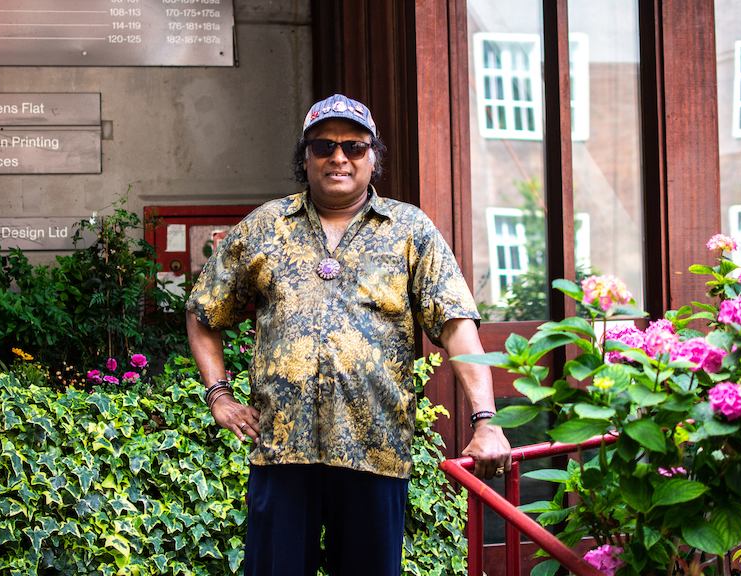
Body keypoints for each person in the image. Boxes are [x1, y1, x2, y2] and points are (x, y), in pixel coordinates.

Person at [186, 93, 511, 576]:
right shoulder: (265, 227)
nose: (339, 157)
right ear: (306, 157)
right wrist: (219, 395)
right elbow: (202, 312)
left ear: (373, 157)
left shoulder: (409, 230)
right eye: (323, 146)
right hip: (282, 453)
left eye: (355, 147)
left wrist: (486, 420)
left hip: (374, 451)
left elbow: (457, 325)